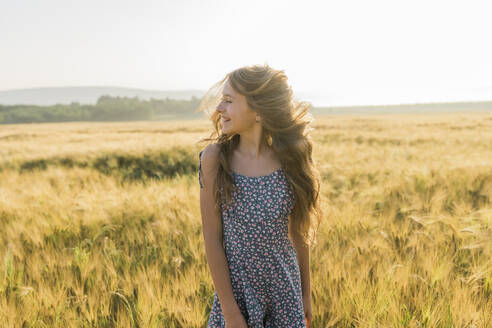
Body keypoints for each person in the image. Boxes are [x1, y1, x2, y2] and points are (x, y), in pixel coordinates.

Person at [196, 64, 321, 327]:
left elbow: (299, 233)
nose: (219, 109)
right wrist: (230, 313)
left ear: (258, 110)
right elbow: (212, 237)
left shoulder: (290, 160)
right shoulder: (215, 159)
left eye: (229, 101)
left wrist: (305, 294)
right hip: (237, 295)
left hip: (285, 294)